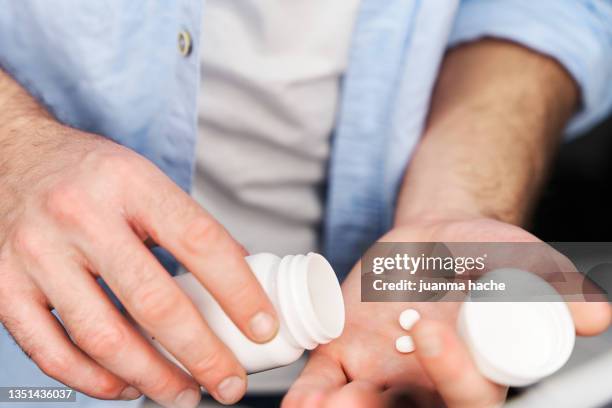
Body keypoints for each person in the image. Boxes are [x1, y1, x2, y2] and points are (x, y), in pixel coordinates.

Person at [0, 1, 611, 407]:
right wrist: (15, 149)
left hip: (367, 363)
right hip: (30, 343)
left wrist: (454, 206)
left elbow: (547, 10)